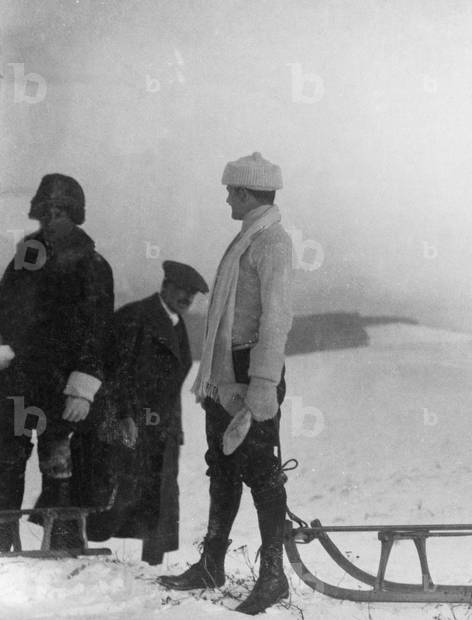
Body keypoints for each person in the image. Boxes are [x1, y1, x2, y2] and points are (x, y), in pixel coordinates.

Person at [157, 152, 294, 615]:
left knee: (260, 474)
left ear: (246, 192)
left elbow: (275, 319)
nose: (226, 197)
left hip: (249, 374)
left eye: (230, 190)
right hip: (225, 376)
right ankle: (212, 563)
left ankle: (273, 577)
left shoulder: (271, 242)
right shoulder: (248, 238)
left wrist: (262, 384)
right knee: (223, 467)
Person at [0, 173, 114, 551]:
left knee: (59, 460)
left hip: (63, 385)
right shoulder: (25, 257)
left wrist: (83, 388)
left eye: (60, 210)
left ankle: (63, 545)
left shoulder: (94, 265)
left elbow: (98, 333)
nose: (51, 218)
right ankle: (3, 540)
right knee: (7, 458)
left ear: (75, 214)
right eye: (45, 210)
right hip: (16, 381)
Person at [85, 260, 208, 565]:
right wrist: (125, 416)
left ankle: (152, 566)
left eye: (192, 294)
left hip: (162, 428)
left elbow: (172, 382)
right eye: (181, 290)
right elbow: (117, 371)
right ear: (165, 285)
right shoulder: (135, 316)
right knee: (114, 494)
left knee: (160, 498)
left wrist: (175, 428)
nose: (186, 299)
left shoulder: (177, 324)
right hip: (129, 423)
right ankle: (79, 557)